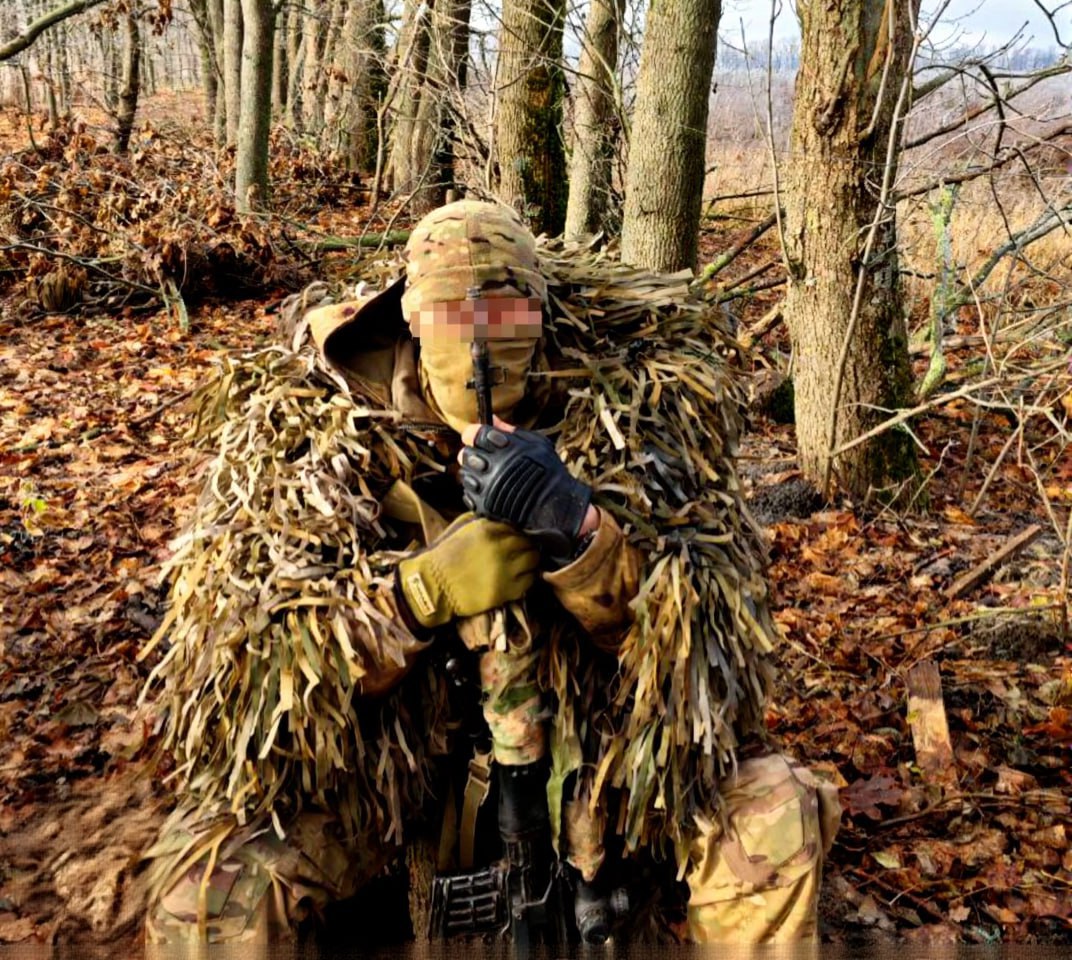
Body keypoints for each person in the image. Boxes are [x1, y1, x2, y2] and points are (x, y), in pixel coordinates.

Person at [142, 199, 839, 946]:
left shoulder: (635, 406)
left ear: (540, 316)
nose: (479, 341)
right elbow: (239, 684)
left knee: (772, 814)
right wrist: (415, 598)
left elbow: (710, 667)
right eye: (451, 319)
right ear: (409, 319)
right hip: (393, 766)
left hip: (598, 758)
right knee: (207, 890)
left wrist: (582, 536)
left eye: (507, 315)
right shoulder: (313, 425)